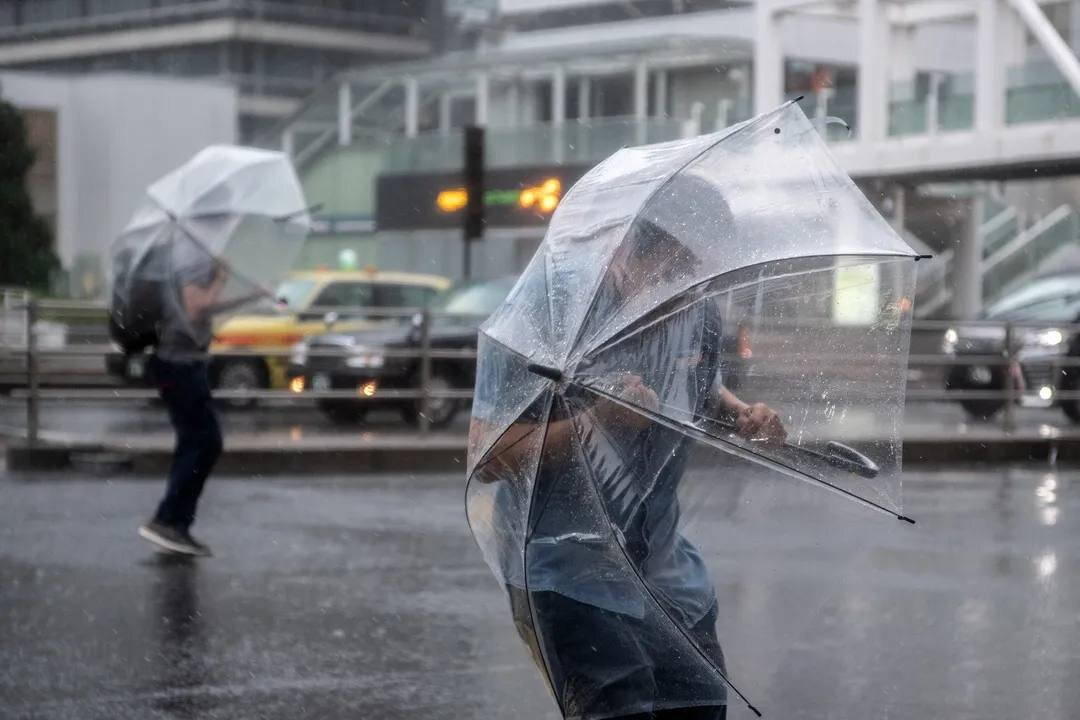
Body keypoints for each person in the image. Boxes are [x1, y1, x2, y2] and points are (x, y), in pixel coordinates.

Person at [472, 206, 785, 720]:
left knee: (700, 708)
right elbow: (489, 455)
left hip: (667, 575)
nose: (691, 292)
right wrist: (595, 422)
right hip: (569, 573)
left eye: (702, 276)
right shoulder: (547, 313)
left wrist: (739, 415)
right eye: (678, 273)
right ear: (626, 255)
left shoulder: (698, 310)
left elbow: (697, 389)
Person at [138, 224, 269, 557]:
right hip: (179, 363)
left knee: (195, 442)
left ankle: (175, 523)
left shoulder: (190, 251)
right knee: (206, 441)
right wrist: (222, 276)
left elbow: (203, 309)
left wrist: (252, 295)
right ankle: (168, 520)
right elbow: (196, 307)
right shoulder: (191, 254)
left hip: (181, 362)